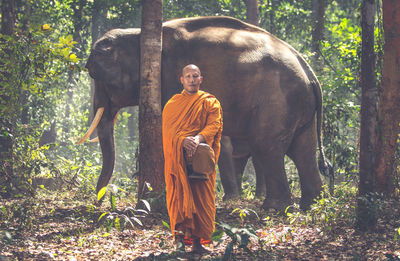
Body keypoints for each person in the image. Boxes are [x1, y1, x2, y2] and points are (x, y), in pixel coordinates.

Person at [162, 64, 223, 253]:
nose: (191, 79)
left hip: (200, 162)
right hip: (178, 161)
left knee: (201, 200)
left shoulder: (210, 102)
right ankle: (180, 243)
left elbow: (214, 125)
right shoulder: (172, 104)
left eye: (195, 76)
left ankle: (198, 244)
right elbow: (167, 132)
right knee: (179, 199)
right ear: (182, 80)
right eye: (188, 76)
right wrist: (182, 140)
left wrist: (196, 139)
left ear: (201, 79)